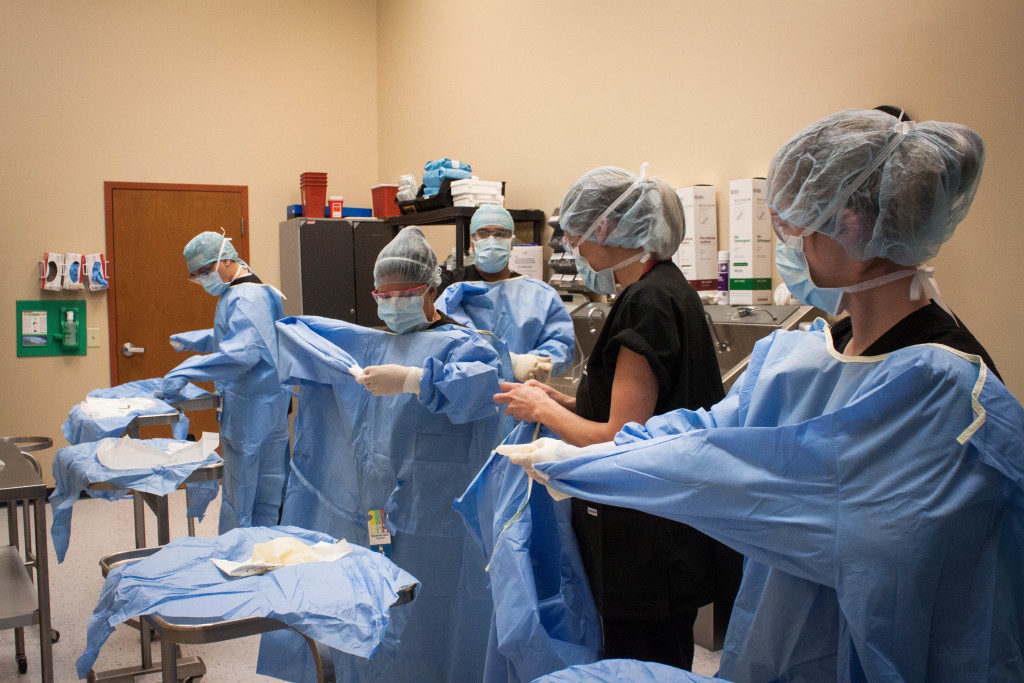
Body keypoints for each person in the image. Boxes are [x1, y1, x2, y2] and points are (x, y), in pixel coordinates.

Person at [499, 110, 1023, 681]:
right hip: (788, 636)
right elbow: (709, 433)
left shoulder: (946, 392)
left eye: (793, 228)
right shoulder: (813, 355)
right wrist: (597, 457)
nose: (786, 245)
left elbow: (779, 489)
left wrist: (593, 459)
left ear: (848, 226)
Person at [493, 166, 743, 671]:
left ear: (607, 229)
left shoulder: (647, 302)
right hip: (661, 529)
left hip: (647, 547)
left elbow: (619, 439)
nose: (575, 249)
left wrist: (542, 411)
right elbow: (639, 412)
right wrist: (562, 403)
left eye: (577, 234)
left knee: (641, 668)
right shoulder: (663, 289)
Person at [259, 226, 506, 682]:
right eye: (383, 294)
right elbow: (307, 347)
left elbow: (484, 384)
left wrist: (416, 379)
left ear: (432, 288)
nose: (392, 303)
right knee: (368, 608)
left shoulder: (464, 344)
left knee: (430, 617)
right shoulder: (370, 343)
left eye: (405, 292)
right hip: (370, 514)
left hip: (437, 518)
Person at [159, 230, 290, 533]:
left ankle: (237, 559)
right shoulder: (254, 291)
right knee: (268, 492)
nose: (203, 279)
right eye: (197, 276)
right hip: (268, 403)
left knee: (243, 496)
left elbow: (242, 353)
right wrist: (201, 339)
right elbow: (246, 337)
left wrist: (187, 369)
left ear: (226, 259)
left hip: (252, 409)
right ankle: (262, 555)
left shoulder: (244, 297)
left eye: (205, 271)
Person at [436, 204, 575, 382]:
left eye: (501, 234)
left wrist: (535, 363)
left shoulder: (540, 295)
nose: (492, 240)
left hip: (523, 395)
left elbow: (559, 342)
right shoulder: (452, 286)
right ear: (472, 244)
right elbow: (446, 336)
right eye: (483, 233)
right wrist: (512, 362)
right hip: (466, 392)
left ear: (512, 243)